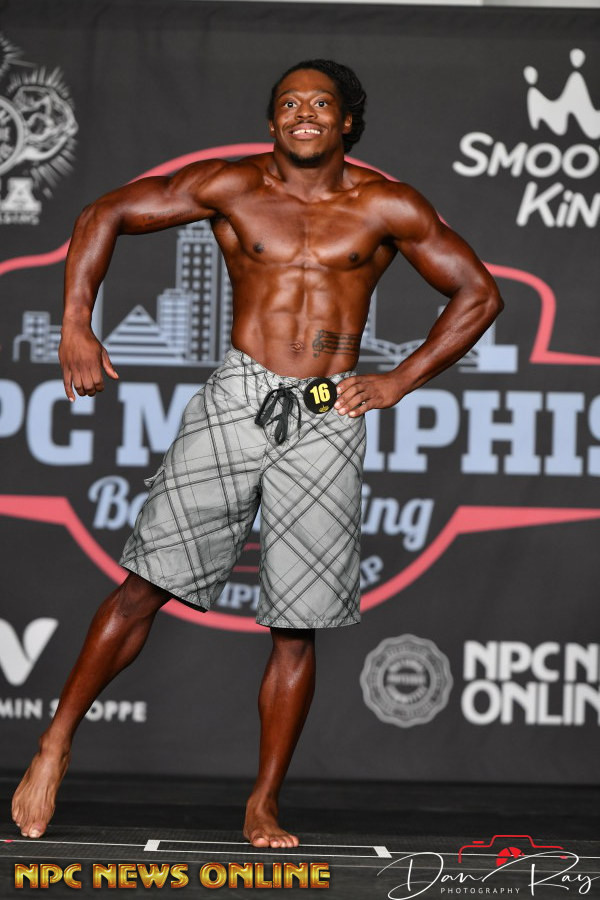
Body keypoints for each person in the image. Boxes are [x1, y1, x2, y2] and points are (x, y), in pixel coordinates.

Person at [11, 59, 503, 849]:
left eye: (321, 103)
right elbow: (105, 211)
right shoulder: (232, 186)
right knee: (143, 588)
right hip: (239, 396)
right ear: (272, 121)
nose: (304, 113)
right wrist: (76, 323)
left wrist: (401, 379)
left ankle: (264, 802)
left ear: (347, 121)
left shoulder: (388, 204)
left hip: (330, 410)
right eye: (289, 103)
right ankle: (56, 740)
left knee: (297, 626)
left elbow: (479, 292)